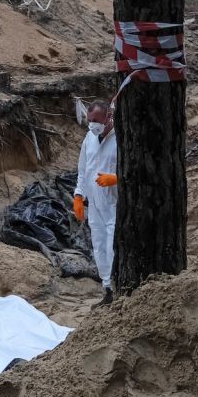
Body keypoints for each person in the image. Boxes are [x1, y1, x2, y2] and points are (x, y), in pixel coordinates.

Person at [73, 100, 118, 304]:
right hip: (95, 205)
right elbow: (83, 170)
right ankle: (107, 290)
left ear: (108, 117)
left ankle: (118, 287)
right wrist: (78, 196)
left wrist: (116, 178)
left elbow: (134, 170)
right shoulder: (89, 139)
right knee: (99, 246)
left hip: (114, 204)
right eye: (90, 120)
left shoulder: (120, 138)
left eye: (96, 120)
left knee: (112, 247)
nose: (92, 125)